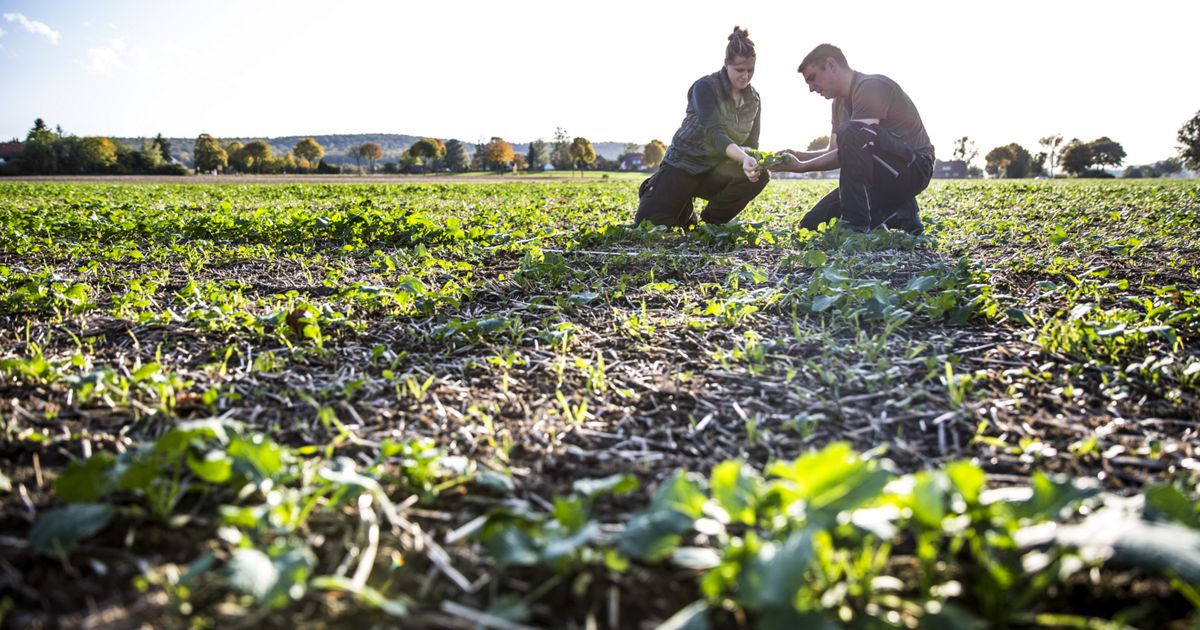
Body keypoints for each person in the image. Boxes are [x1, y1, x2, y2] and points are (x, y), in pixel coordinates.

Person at [772, 44, 933, 235]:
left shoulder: (871, 87)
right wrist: (796, 155)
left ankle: (856, 228)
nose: (811, 88)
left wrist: (801, 167)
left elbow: (856, 143)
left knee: (853, 131)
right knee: (811, 225)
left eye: (812, 78)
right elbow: (835, 151)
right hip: (879, 175)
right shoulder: (838, 104)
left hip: (914, 168)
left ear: (831, 65)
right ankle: (898, 214)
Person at [634, 27, 769, 228]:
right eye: (740, 70)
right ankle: (664, 192)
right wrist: (744, 156)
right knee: (649, 225)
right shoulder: (704, 87)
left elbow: (751, 143)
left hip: (715, 171)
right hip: (683, 165)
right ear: (726, 64)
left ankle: (712, 221)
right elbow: (716, 134)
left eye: (750, 70)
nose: (745, 76)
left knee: (760, 175)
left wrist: (753, 159)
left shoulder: (754, 99)